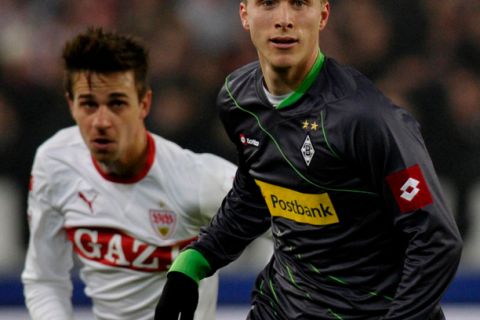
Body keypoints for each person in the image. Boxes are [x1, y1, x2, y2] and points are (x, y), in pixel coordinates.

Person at [155, 1, 463, 319]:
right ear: (245, 14)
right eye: (269, 4)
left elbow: (436, 239)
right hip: (279, 307)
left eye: (300, 4)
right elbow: (256, 193)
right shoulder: (237, 98)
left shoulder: (366, 118)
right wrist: (194, 261)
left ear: (323, 15)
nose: (284, 20)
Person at [21, 27, 236, 320]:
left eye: (117, 103)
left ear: (143, 103)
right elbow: (44, 279)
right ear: (71, 105)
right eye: (88, 104)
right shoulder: (56, 162)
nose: (101, 121)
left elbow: (299, 231)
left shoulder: (199, 179)